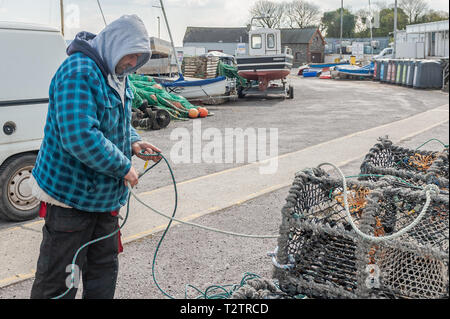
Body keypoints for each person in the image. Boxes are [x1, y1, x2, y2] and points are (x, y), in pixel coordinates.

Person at [29, 15, 160, 299]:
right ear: (116, 44)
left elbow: (117, 121)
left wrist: (134, 141)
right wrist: (124, 166)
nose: (132, 62)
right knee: (64, 276)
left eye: (138, 58)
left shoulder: (116, 74)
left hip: (103, 201)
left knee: (102, 269)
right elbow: (80, 136)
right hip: (70, 201)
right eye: (131, 55)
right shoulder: (79, 72)